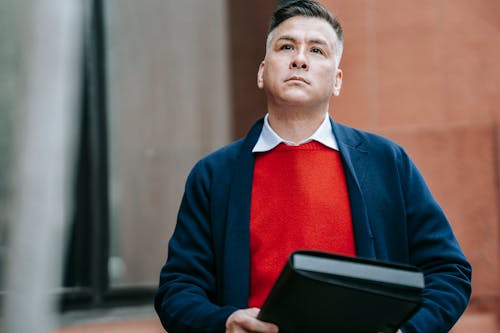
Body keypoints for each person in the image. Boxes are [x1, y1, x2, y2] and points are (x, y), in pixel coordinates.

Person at [154, 1, 472, 332]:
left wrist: (407, 331)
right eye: (286, 46)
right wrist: (223, 322)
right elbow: (177, 290)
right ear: (262, 71)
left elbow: (448, 270)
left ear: (336, 81)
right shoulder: (214, 175)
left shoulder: (387, 163)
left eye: (317, 50)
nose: (300, 59)